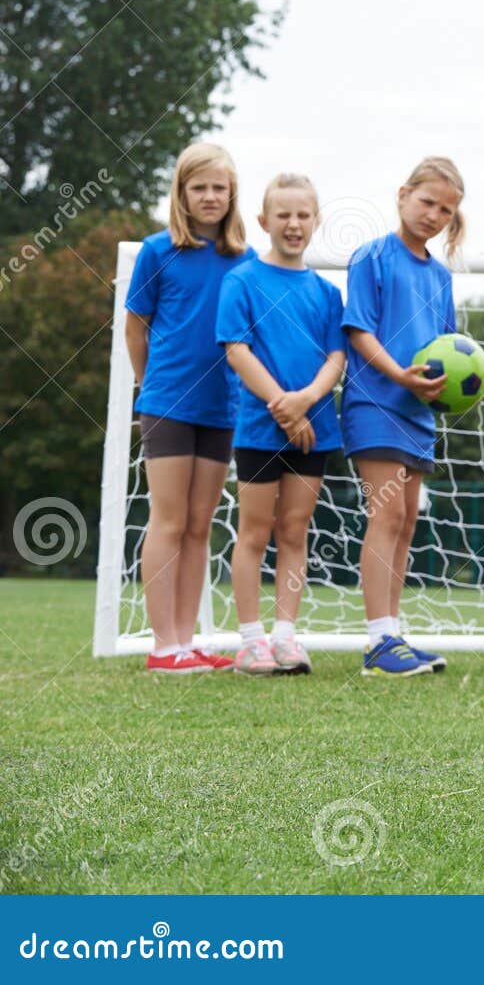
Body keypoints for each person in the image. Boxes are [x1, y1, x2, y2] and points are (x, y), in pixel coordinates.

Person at [125, 142, 257, 674]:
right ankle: (163, 646)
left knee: (200, 526)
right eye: (198, 187)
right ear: (181, 194)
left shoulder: (246, 261)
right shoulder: (158, 252)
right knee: (169, 519)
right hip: (167, 404)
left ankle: (186, 640)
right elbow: (136, 326)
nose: (209, 196)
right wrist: (146, 384)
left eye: (218, 188)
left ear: (232, 196)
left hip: (222, 409)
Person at [217, 174, 346, 677]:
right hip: (259, 428)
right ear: (264, 221)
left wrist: (308, 401)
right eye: (284, 215)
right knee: (253, 532)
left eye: (303, 215)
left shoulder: (326, 292)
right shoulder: (242, 281)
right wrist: (281, 406)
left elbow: (336, 356)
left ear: (315, 221)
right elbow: (236, 350)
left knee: (295, 531)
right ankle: (250, 642)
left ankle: (286, 637)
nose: (294, 224)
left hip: (315, 428)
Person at [341, 156, 465, 677]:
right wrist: (398, 376)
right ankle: (376, 642)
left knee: (408, 522)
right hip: (374, 404)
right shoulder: (371, 256)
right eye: (427, 201)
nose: (434, 214)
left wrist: (445, 389)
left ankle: (392, 633)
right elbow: (358, 331)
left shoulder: (439, 275)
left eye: (446, 209)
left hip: (418, 414)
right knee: (386, 517)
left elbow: (449, 347)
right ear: (402, 195)